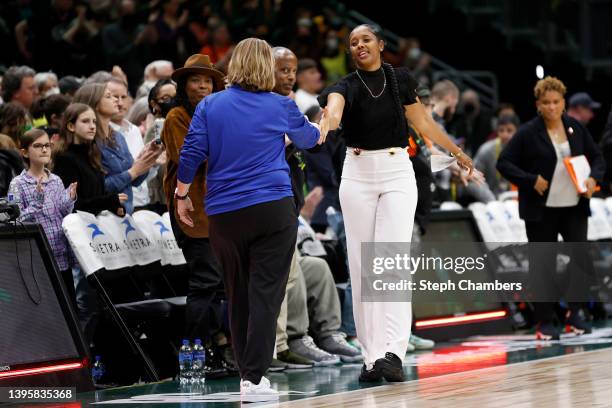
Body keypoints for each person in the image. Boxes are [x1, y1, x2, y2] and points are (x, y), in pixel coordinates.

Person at [318, 24, 473, 383]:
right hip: (356, 174)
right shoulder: (346, 85)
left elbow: (424, 123)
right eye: (353, 42)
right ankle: (370, 357)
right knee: (362, 267)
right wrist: (328, 119)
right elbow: (335, 108)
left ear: (381, 45)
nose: (359, 46)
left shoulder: (400, 79)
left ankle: (393, 353)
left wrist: (457, 153)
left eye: (366, 40)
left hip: (396, 171)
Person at [176, 38, 321, 400]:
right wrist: (326, 123)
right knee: (265, 295)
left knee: (237, 293)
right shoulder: (281, 105)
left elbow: (192, 152)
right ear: (267, 68)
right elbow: (309, 140)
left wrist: (181, 195)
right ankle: (254, 380)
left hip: (224, 213)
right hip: (272, 208)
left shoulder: (210, 104)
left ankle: (248, 376)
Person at [497, 76, 605, 340]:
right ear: (538, 104)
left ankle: (575, 312)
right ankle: (544, 320)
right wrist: (530, 180)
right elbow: (505, 163)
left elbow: (598, 157)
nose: (552, 107)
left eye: (556, 102)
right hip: (541, 209)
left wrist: (594, 178)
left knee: (580, 257)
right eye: (546, 103)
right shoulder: (527, 132)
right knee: (543, 263)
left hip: (574, 205)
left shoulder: (575, 128)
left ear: (564, 103)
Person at [161, 54, 235, 377]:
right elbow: (191, 156)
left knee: (220, 287)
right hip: (191, 211)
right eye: (195, 80)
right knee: (204, 284)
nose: (203, 85)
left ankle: (218, 350)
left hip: (219, 209)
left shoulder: (218, 113)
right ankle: (194, 355)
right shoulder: (177, 116)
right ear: (183, 85)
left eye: (208, 80)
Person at [53, 103, 129, 341]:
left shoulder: (93, 155)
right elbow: (75, 204)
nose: (92, 126)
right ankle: (83, 363)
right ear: (71, 125)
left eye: (94, 122)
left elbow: (95, 197)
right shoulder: (66, 159)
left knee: (102, 304)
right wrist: (109, 200)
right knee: (86, 304)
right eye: (85, 121)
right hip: (81, 242)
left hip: (99, 235)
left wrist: (113, 206)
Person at [9, 128, 77, 301]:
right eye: (38, 146)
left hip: (60, 251)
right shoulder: (18, 184)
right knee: (50, 306)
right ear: (24, 152)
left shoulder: (56, 180)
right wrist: (36, 202)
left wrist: (69, 198)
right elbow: (15, 221)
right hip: (38, 256)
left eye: (47, 145)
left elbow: (62, 214)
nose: (44, 150)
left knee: (69, 301)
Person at [73, 83, 161, 214]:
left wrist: (148, 159)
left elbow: (135, 181)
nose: (116, 100)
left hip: (126, 215)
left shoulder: (118, 136)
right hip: (103, 217)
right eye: (109, 96)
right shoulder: (89, 141)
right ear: (95, 104)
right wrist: (132, 172)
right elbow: (96, 188)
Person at [474, 114, 520, 197]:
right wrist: (490, 200)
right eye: (501, 130)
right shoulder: (486, 150)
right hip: (491, 199)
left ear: (517, 131)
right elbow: (474, 178)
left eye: (509, 130)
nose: (505, 135)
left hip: (516, 198)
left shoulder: (525, 150)